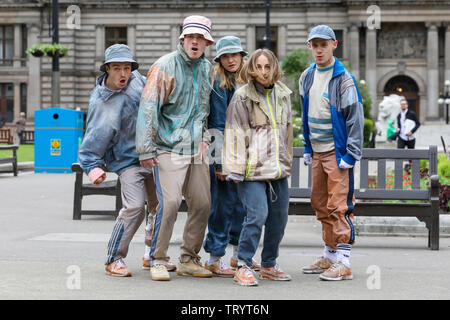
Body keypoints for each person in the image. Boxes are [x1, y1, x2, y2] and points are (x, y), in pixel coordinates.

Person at [136, 15, 214, 281]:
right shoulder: (165, 66)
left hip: (196, 149)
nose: (195, 42)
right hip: (167, 148)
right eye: (191, 37)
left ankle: (189, 259)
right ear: (182, 38)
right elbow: (148, 109)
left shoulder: (207, 68)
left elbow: (204, 109)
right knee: (169, 204)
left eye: (200, 38)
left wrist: (204, 138)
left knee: (203, 204)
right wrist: (146, 150)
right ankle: (157, 258)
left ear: (207, 42)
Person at [78, 44, 159, 277]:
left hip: (152, 155)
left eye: (127, 68)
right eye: (117, 68)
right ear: (107, 70)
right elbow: (91, 141)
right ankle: (114, 258)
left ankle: (151, 253)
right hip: (127, 162)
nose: (123, 74)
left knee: (160, 206)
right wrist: (93, 168)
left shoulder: (138, 81)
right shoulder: (101, 103)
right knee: (135, 206)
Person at [222, 48, 293, 286]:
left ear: (274, 68)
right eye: (259, 67)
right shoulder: (242, 96)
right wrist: (235, 168)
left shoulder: (283, 94)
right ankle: (243, 264)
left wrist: (287, 161)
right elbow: (234, 134)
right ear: (251, 69)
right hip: (252, 171)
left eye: (267, 66)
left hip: (277, 169)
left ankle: (269, 265)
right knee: (257, 215)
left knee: (279, 219)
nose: (263, 72)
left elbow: (288, 133)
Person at [299, 25, 364, 281]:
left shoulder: (344, 79)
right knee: (320, 204)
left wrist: (351, 154)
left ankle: (344, 262)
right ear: (309, 47)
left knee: (339, 206)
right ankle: (330, 254)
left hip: (337, 155)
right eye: (314, 45)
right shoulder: (307, 77)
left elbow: (355, 119)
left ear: (334, 45)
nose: (318, 49)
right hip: (317, 152)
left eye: (323, 44)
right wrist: (307, 147)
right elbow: (305, 115)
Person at [202, 36, 261, 277]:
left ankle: (238, 255)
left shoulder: (248, 81)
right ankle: (215, 257)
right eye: (226, 56)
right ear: (220, 60)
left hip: (247, 153)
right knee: (222, 206)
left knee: (242, 207)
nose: (231, 59)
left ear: (241, 56)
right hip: (225, 154)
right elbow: (216, 123)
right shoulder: (219, 83)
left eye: (234, 55)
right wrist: (218, 163)